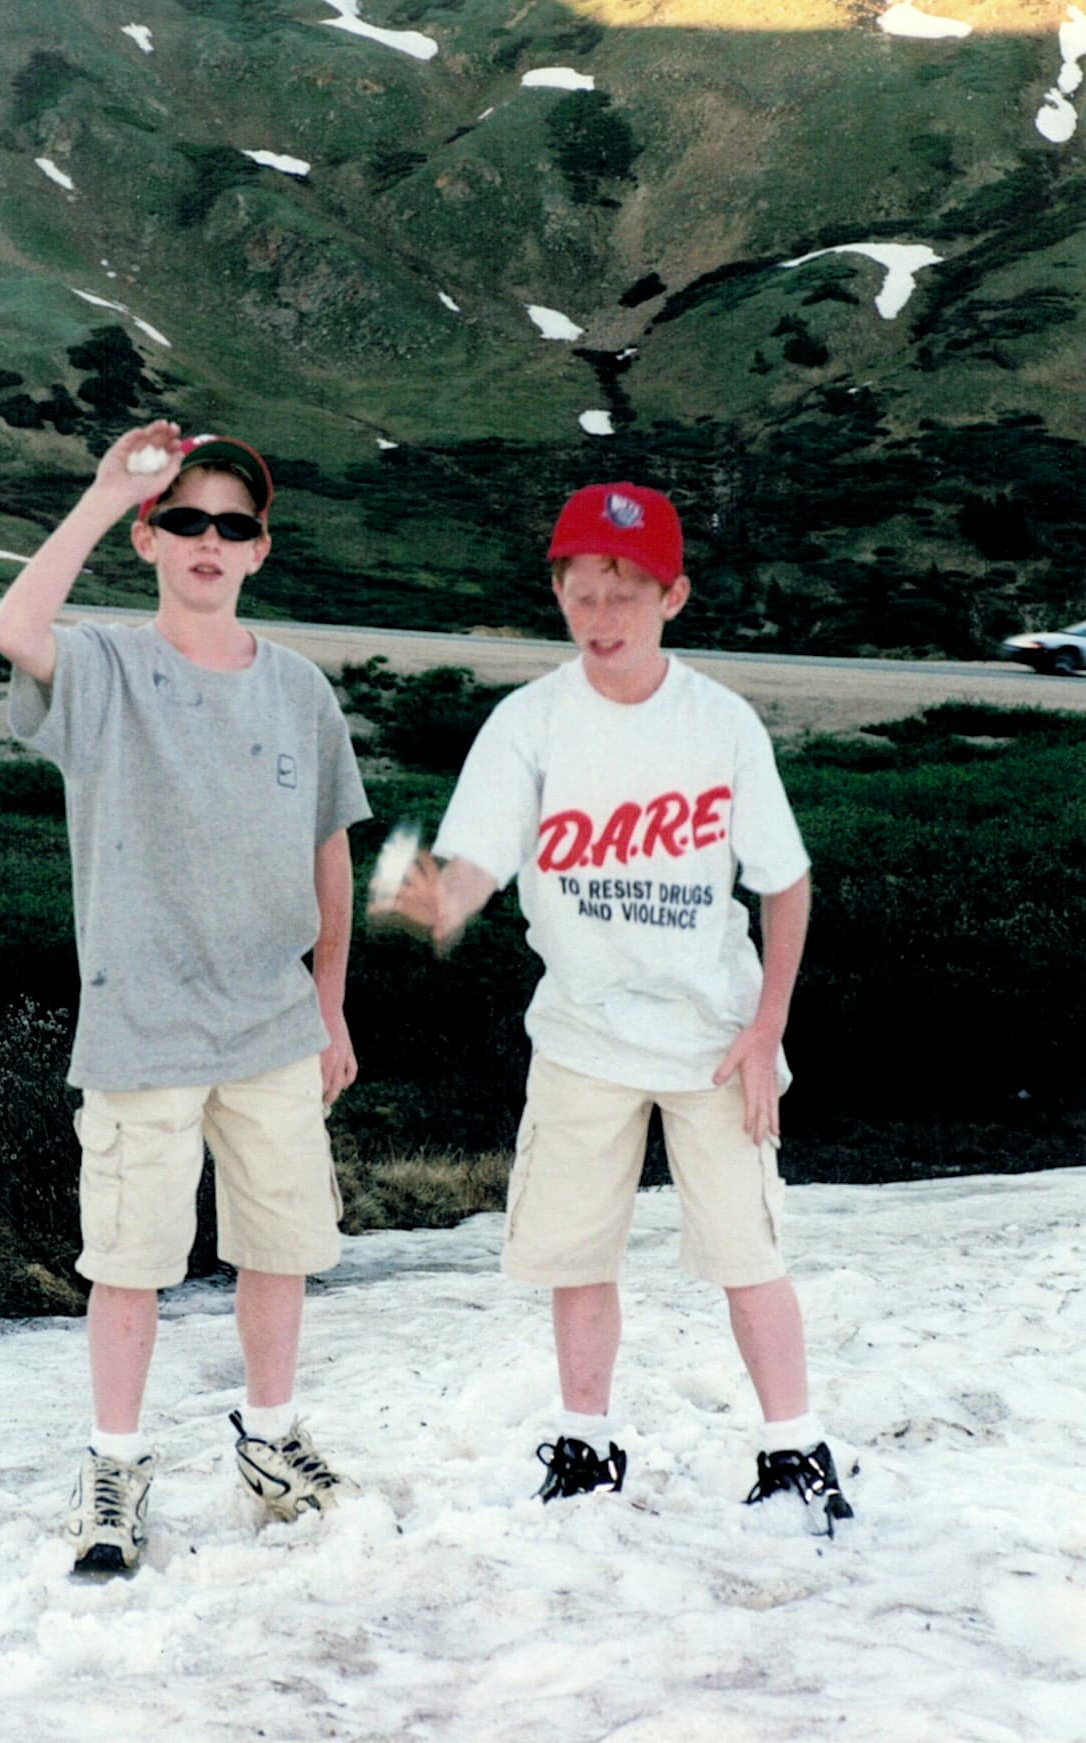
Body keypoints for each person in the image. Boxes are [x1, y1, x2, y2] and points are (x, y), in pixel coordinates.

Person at [373, 481, 852, 1535]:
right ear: (558, 593)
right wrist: (413, 895)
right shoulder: (527, 723)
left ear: (672, 596)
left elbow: (784, 882)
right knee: (576, 1254)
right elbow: (465, 878)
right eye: (581, 591)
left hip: (713, 1038)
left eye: (625, 592)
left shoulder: (719, 725)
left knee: (748, 1252)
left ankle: (793, 1451)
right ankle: (586, 1447)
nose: (602, 616)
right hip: (584, 1035)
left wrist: (767, 1025)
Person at [0, 422, 371, 1573]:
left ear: (261, 550)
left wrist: (333, 1007)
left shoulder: (301, 690)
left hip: (271, 1026)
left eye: (235, 525)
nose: (212, 540)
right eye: (189, 520)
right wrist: (109, 488)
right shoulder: (105, 669)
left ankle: (270, 1442)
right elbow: (15, 626)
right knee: (130, 1261)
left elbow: (331, 857)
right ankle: (113, 1469)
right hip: (141, 1027)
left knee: (278, 1246)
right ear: (155, 539)